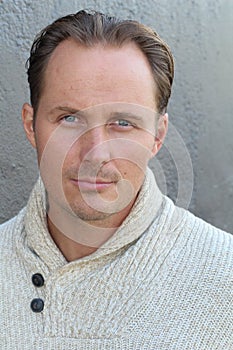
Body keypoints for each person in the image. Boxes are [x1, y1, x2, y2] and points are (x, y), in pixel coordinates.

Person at [0, 10, 233, 350]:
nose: (95, 154)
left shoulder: (225, 276)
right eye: (69, 118)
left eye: (122, 123)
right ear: (30, 125)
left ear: (158, 135)